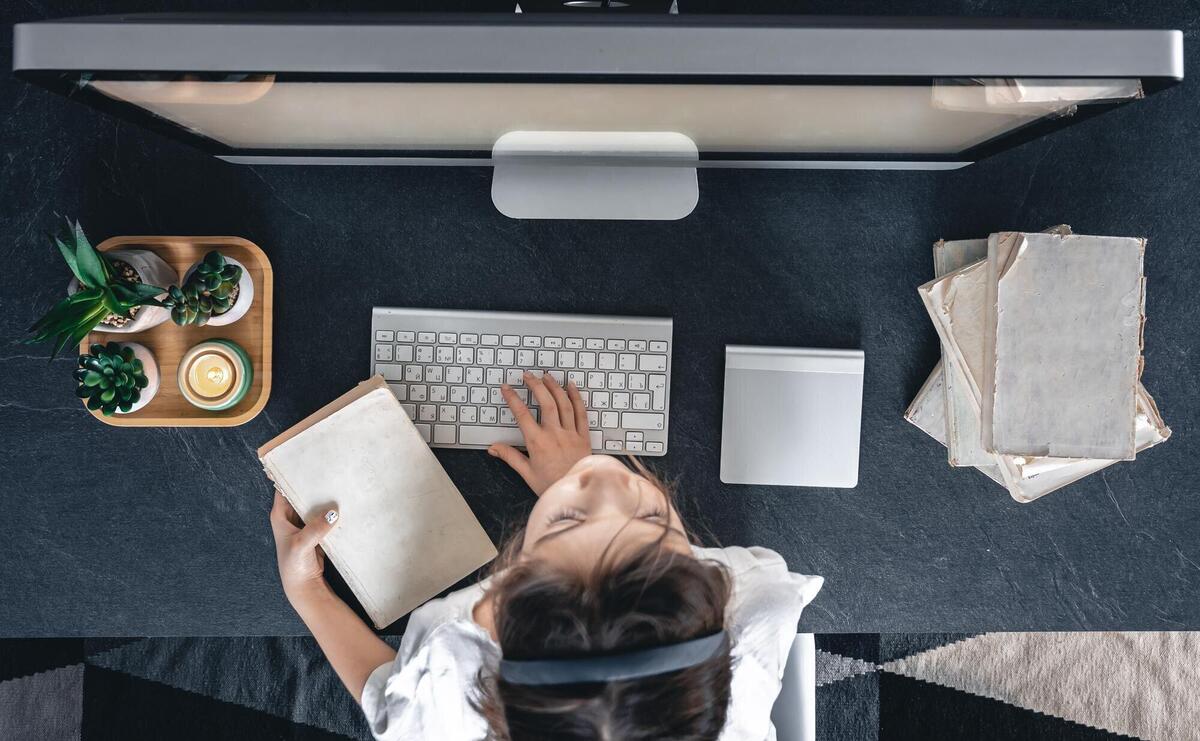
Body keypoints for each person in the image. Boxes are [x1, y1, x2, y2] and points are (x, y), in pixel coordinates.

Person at [270, 371, 822, 740]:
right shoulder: (755, 608)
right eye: (651, 521)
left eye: (569, 520)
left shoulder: (445, 671)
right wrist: (569, 509)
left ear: (493, 609)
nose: (605, 475)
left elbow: (394, 709)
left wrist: (307, 592)